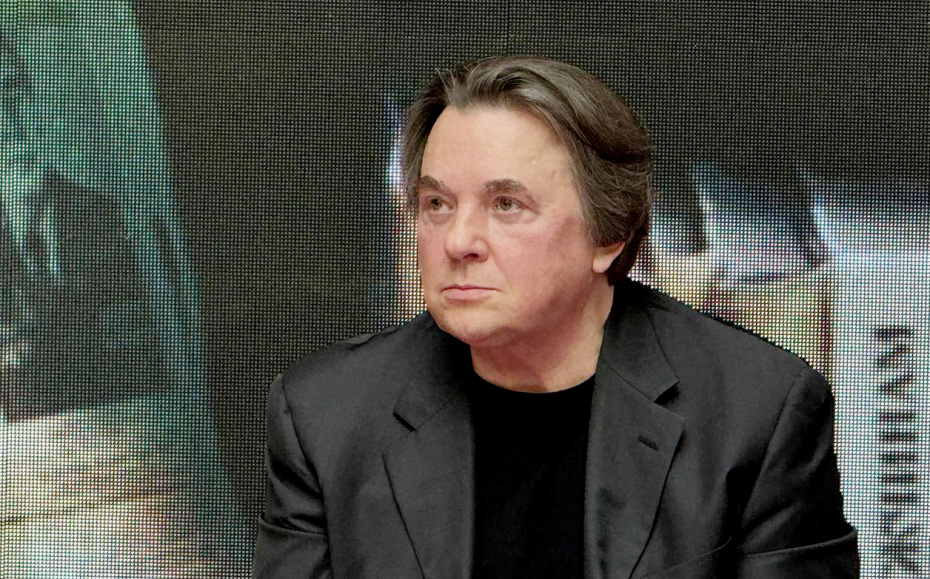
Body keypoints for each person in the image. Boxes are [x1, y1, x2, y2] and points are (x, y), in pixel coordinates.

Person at [252, 55, 858, 578]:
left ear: (609, 234)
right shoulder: (325, 417)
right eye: (436, 203)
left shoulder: (759, 413)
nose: (457, 241)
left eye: (506, 204)